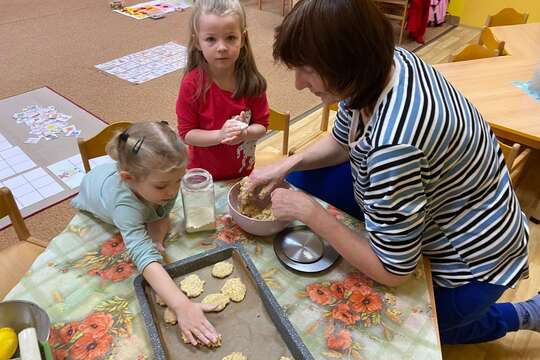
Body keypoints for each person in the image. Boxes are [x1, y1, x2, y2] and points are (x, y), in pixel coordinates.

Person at [248, 0, 539, 345]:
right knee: (296, 179)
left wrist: (311, 214)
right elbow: (342, 141)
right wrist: (287, 162)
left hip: (474, 262)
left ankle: (525, 313)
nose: (298, 84)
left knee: (418, 327)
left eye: (307, 70)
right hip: (441, 200)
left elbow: (393, 271)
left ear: (348, 61)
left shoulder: (395, 147)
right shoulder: (386, 62)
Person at [71, 122, 219, 346]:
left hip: (131, 187)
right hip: (93, 194)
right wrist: (182, 306)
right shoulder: (124, 205)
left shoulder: (161, 185)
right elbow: (140, 253)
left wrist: (157, 239)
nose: (172, 192)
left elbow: (160, 214)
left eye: (178, 180)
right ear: (128, 179)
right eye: (162, 187)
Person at [176, 0, 269, 181]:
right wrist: (221, 135)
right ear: (197, 42)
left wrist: (245, 133)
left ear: (243, 39)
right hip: (203, 176)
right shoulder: (192, 85)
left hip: (243, 173)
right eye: (211, 39)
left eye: (230, 38)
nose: (222, 47)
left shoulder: (252, 82)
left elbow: (262, 126)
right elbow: (187, 134)